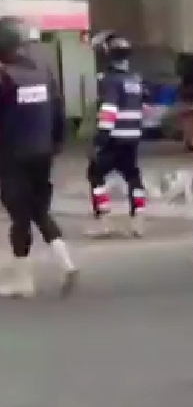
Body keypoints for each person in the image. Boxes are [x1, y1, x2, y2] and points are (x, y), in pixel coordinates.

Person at [0, 16, 77, 297]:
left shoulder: (4, 77)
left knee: (20, 217)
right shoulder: (42, 71)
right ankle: (66, 264)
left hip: (12, 155)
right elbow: (58, 109)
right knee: (38, 210)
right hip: (42, 152)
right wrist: (56, 143)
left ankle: (23, 282)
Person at [85, 32, 148, 239]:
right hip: (133, 137)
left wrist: (100, 139)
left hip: (114, 137)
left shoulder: (110, 81)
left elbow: (109, 110)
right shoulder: (135, 80)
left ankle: (104, 220)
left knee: (95, 174)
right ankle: (138, 219)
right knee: (133, 176)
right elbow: (143, 106)